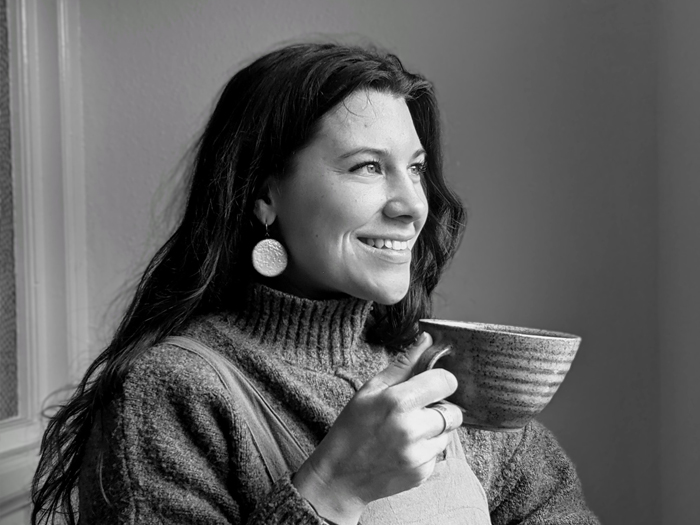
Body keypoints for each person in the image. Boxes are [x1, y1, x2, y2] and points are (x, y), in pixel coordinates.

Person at [31, 42, 599, 524]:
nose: (412, 206)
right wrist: (334, 487)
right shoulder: (172, 391)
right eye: (367, 167)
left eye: (416, 168)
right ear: (264, 194)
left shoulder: (451, 375)